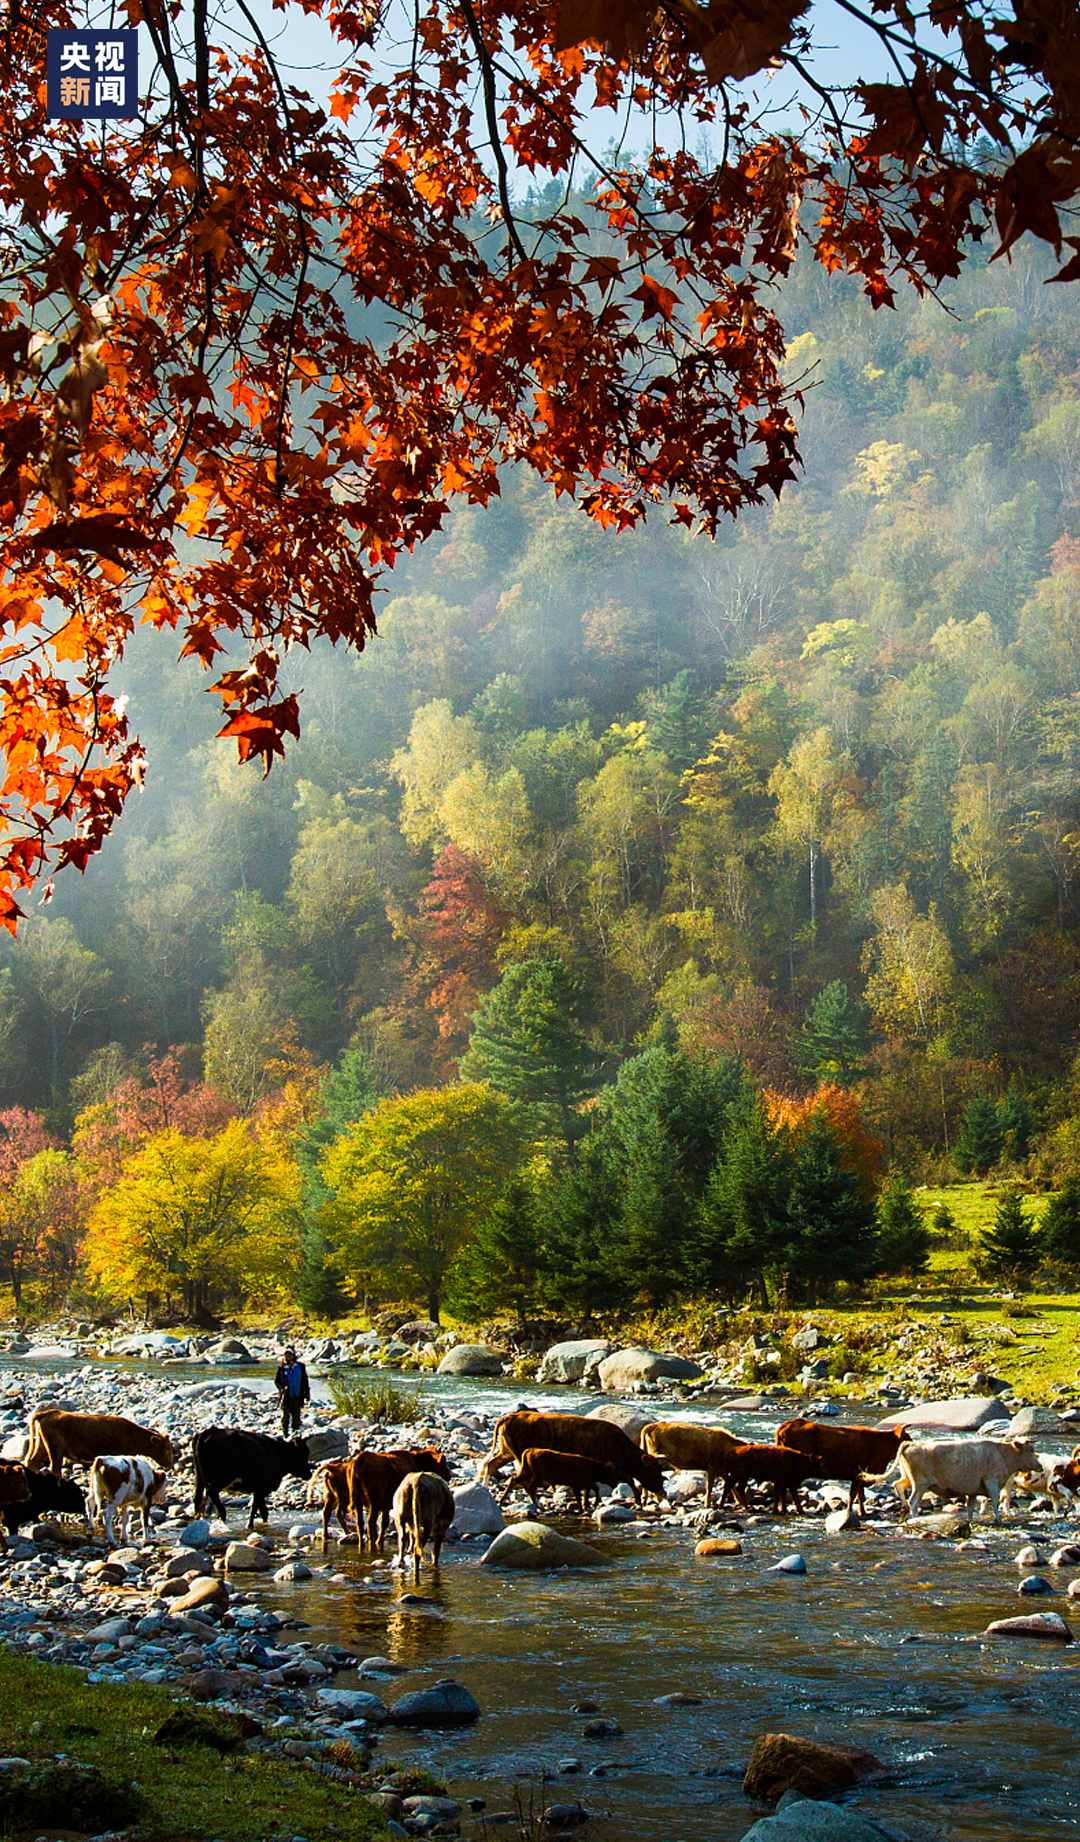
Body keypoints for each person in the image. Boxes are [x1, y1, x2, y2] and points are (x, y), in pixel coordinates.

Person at [274, 1346, 310, 1436]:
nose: (288, 1356)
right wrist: (281, 1388)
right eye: (286, 1354)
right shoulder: (281, 1368)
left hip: (297, 1396)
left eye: (290, 1354)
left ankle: (295, 1435)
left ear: (293, 1355)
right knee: (285, 1418)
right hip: (286, 1396)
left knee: (296, 1417)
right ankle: (285, 1434)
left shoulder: (300, 1367)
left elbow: (305, 1380)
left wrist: (307, 1393)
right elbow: (277, 1381)